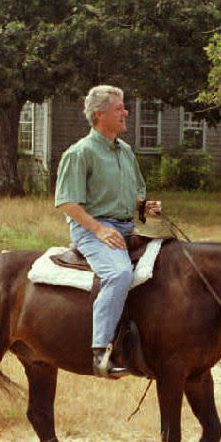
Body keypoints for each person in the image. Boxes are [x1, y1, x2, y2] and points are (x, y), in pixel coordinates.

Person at [54, 85, 162, 378]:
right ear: (100, 115)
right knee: (118, 274)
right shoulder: (79, 153)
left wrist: (144, 206)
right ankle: (101, 352)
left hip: (126, 226)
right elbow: (67, 202)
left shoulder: (125, 151)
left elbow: (132, 194)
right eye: (120, 108)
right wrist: (100, 229)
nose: (126, 112)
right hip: (92, 229)